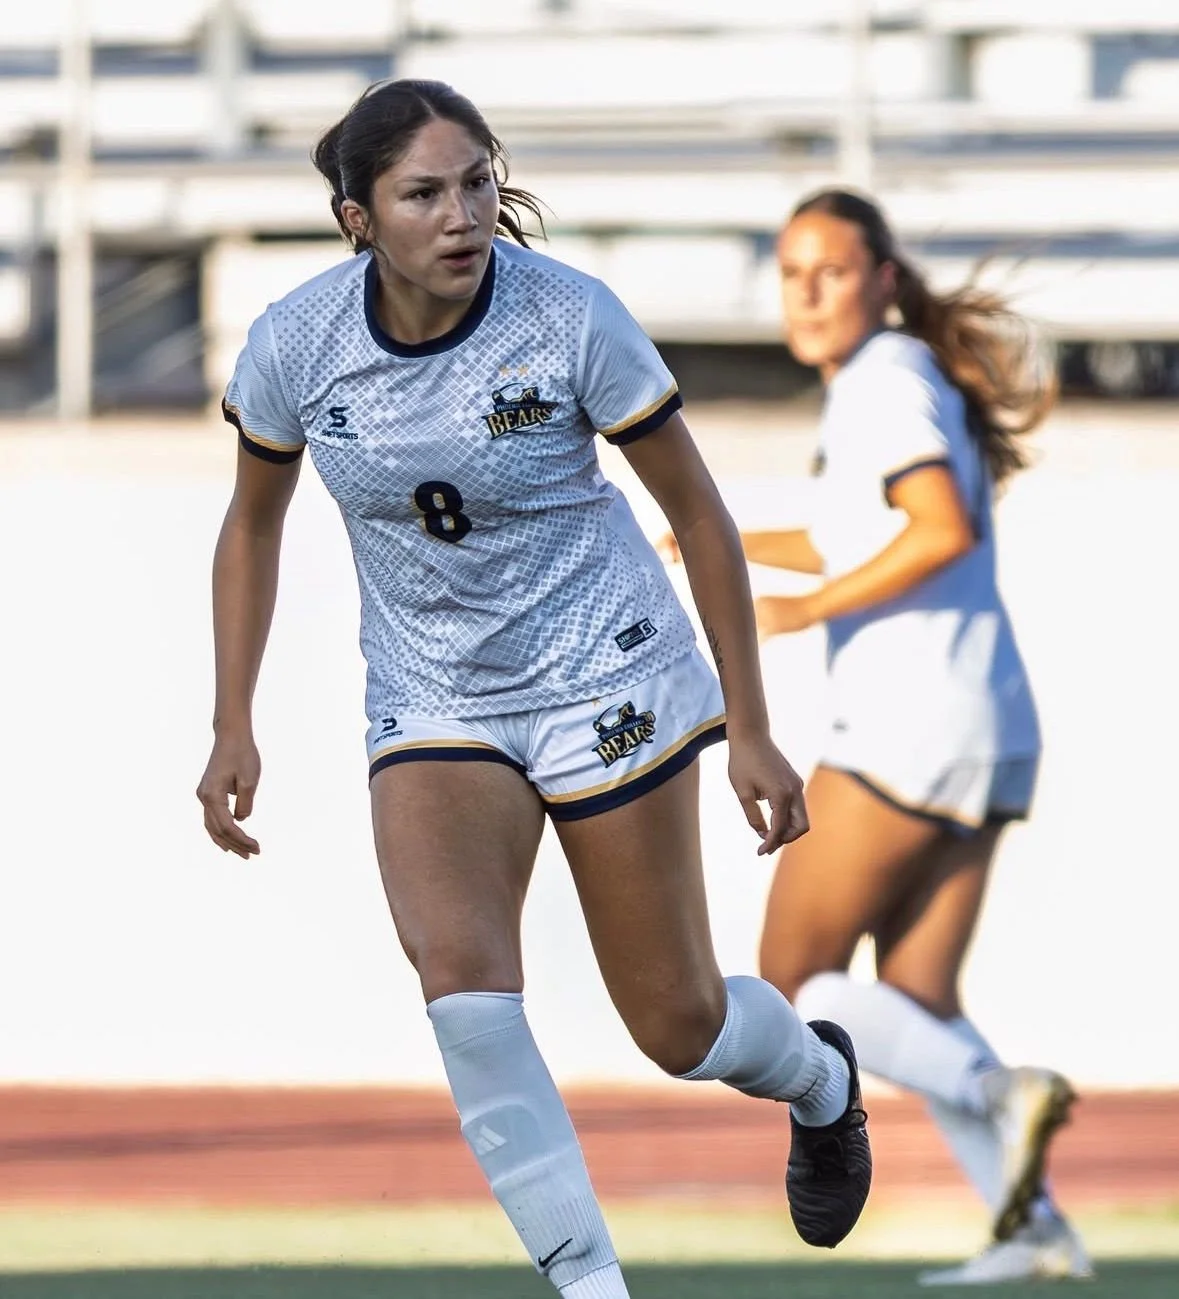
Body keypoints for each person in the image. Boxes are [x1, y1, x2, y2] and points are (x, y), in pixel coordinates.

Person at [196, 82, 873, 1299]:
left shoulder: (569, 318)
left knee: (681, 1029)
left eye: (474, 183)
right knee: (463, 989)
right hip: (434, 696)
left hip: (604, 670)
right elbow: (251, 528)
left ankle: (820, 1081)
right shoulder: (296, 344)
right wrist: (230, 718)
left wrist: (752, 727)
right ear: (358, 218)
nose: (461, 217)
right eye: (423, 194)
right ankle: (589, 1286)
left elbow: (700, 518)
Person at [664, 187, 1091, 1285]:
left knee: (792, 980)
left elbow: (936, 526)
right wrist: (699, 540)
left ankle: (1002, 1095)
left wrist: (804, 612)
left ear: (884, 279)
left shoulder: (881, 381)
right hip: (987, 720)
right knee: (915, 1001)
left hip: (909, 722)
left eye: (833, 270)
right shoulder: (898, 380)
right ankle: (1035, 1230)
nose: (807, 293)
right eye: (791, 271)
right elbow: (847, 528)